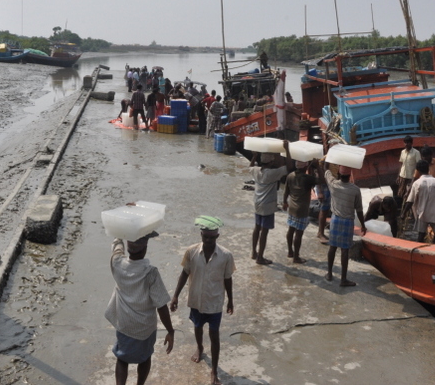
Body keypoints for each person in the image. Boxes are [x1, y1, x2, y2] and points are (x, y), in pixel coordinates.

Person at [170, 216, 235, 385]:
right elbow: (184, 273)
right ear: (201, 235)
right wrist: (176, 295)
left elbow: (228, 278)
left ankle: (214, 370)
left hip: (215, 303)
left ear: (217, 237)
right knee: (197, 327)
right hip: (196, 300)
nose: (208, 240)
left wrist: (230, 300)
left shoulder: (226, 255)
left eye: (211, 237)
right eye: (205, 237)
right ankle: (199, 347)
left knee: (215, 335)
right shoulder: (191, 252)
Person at [105, 231, 174, 385]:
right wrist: (170, 330)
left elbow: (116, 248)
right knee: (145, 358)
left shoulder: (117, 264)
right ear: (145, 248)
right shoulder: (151, 273)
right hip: (144, 328)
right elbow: (161, 306)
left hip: (124, 324)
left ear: (128, 248)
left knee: (122, 359)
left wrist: (120, 231)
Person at [249, 140, 294, 265]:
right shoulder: (273, 173)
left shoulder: (256, 170)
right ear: (271, 161)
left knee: (257, 228)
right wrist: (287, 150)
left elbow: (250, 167)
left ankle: (254, 252)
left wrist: (253, 156)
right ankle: (260, 257)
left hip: (257, 203)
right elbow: (289, 167)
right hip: (267, 205)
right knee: (264, 231)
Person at [324, 163, 366, 287]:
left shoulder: (333, 185)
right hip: (348, 222)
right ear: (350, 175)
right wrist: (363, 225)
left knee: (332, 247)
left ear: (339, 174)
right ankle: (343, 279)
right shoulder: (355, 190)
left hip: (335, 220)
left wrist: (327, 162)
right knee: (344, 250)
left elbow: (326, 171)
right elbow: (359, 210)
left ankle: (330, 274)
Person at [282, 160, 321, 263]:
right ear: (305, 167)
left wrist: (284, 202)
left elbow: (286, 191)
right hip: (302, 209)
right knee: (299, 234)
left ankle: (290, 251)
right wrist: (317, 166)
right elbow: (322, 180)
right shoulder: (307, 178)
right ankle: (296, 257)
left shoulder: (290, 175)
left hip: (292, 207)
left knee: (291, 230)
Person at [405, 160, 435, 244]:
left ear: (417, 170)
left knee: (421, 234)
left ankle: (420, 252)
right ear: (428, 168)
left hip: (422, 213)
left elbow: (410, 201)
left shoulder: (417, 183)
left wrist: (403, 214)